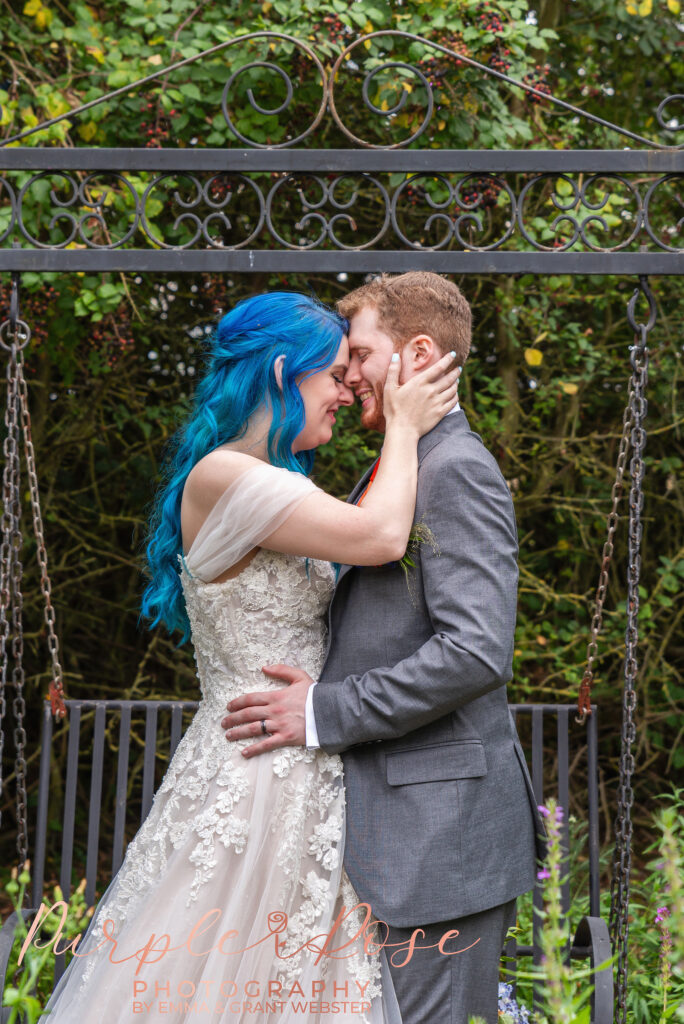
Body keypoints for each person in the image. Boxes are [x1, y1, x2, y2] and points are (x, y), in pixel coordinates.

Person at [39, 291, 459, 1024]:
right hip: (253, 780)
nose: (346, 389)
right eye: (332, 373)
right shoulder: (225, 478)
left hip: (308, 768)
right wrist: (404, 425)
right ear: (278, 370)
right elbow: (382, 537)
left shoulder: (282, 482)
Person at [221, 273, 549, 1024]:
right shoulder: (406, 466)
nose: (348, 375)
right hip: (394, 836)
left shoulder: (455, 470)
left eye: (361, 354)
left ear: (420, 353)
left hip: (439, 847)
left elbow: (473, 653)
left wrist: (323, 708)